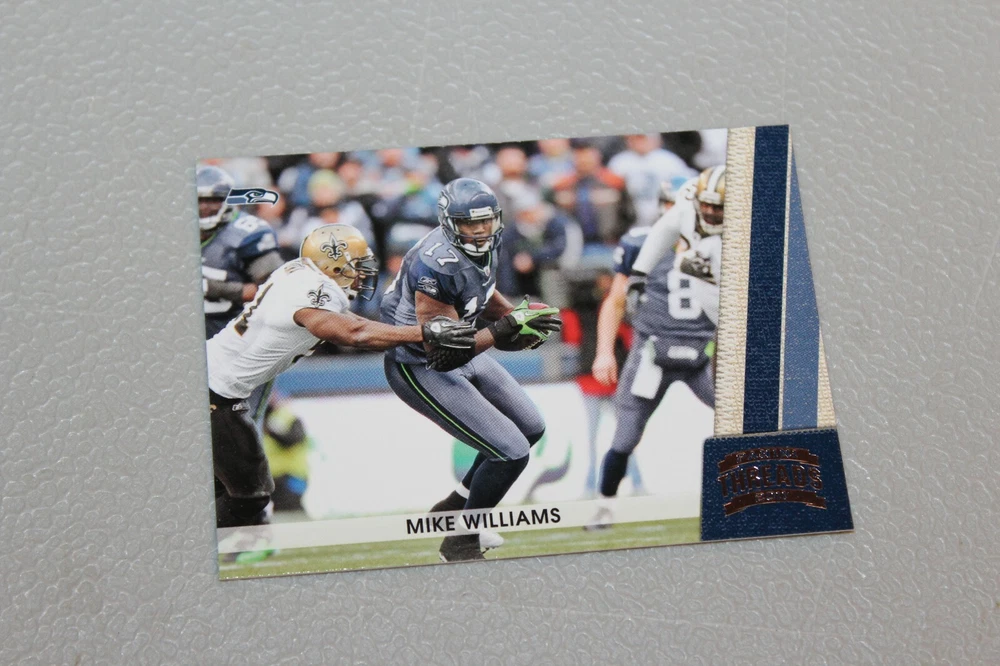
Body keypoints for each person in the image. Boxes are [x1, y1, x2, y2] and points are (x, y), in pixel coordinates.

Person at [208, 224, 476, 557]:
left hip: (219, 386)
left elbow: (354, 325)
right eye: (356, 265)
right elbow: (354, 333)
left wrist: (415, 333)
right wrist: (425, 332)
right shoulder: (312, 289)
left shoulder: (301, 275)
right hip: (217, 391)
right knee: (250, 496)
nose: (362, 274)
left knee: (228, 487)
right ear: (332, 264)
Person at [380, 178, 562, 562]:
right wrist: (501, 330)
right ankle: (460, 541)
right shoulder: (436, 265)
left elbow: (483, 288)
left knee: (530, 427)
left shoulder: (486, 243)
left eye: (485, 221)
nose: (479, 230)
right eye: (469, 223)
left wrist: (516, 316)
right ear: (450, 223)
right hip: (420, 363)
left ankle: (453, 506)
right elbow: (443, 352)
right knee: (510, 452)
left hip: (460, 347)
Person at [585, 169, 725, 529]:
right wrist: (604, 351)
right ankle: (604, 508)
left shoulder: (727, 243)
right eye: (670, 205)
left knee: (747, 421)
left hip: (705, 352)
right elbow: (616, 301)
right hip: (652, 353)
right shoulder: (641, 242)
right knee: (625, 436)